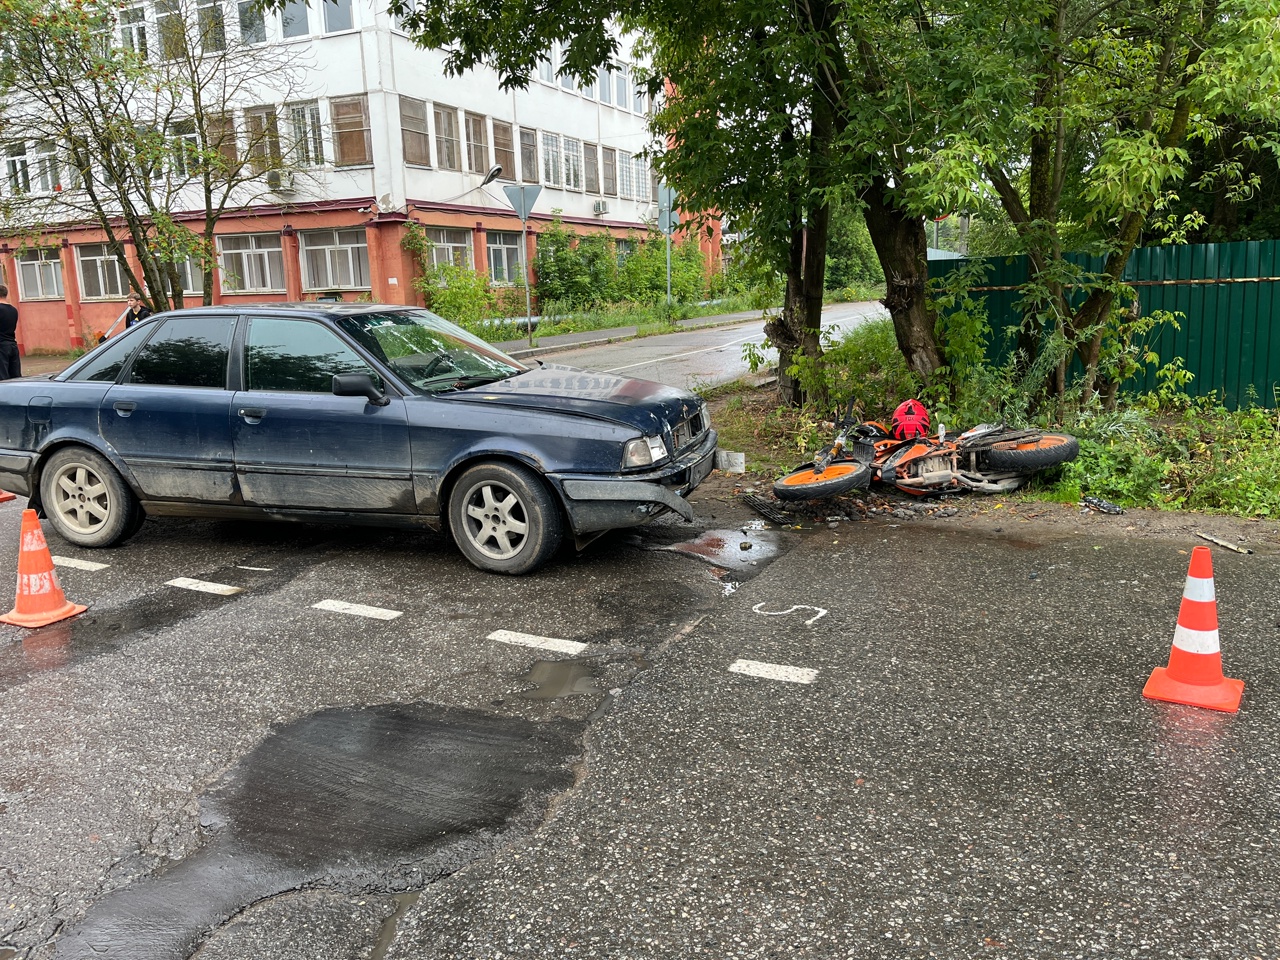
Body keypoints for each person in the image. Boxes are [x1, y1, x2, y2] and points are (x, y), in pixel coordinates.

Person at [0, 283, 20, 380]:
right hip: (12, 345)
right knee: (15, 377)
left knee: (3, 378)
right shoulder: (13, 310)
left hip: (1, 347)